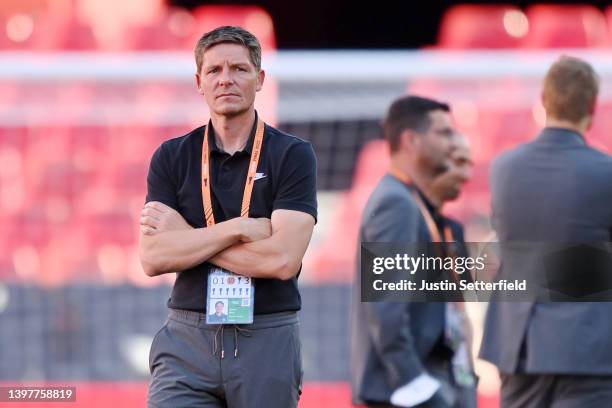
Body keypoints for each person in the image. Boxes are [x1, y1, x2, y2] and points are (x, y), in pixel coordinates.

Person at [139, 26, 317, 408]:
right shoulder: (171, 157)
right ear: (199, 82)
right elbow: (153, 258)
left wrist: (187, 237)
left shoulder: (293, 155)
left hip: (266, 336)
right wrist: (237, 229)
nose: (226, 79)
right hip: (186, 337)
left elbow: (282, 260)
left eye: (239, 69)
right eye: (215, 70)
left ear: (260, 79)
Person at [479, 56, 612, 407]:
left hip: (518, 345)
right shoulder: (606, 173)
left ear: (544, 100)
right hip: (587, 350)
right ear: (591, 107)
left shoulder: (504, 168)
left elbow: (502, 239)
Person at [350, 95, 476, 408]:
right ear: (411, 140)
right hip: (402, 392)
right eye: (444, 133)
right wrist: (413, 383)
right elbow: (386, 308)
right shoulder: (396, 204)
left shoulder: (413, 204)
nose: (452, 143)